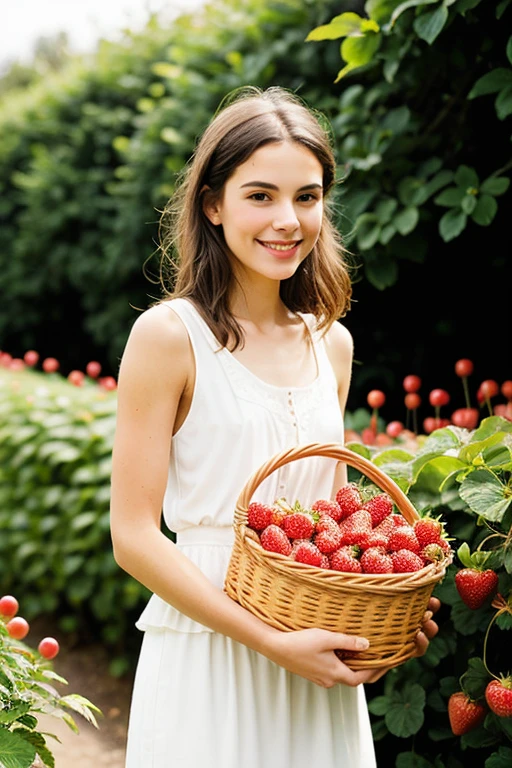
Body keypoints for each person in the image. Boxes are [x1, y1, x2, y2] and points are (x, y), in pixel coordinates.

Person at [109, 85, 440, 768]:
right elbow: (133, 535)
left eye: (308, 197)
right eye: (260, 195)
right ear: (213, 203)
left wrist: (385, 617)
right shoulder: (169, 337)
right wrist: (268, 640)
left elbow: (330, 524)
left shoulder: (332, 346)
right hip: (209, 649)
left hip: (313, 656)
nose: (287, 220)